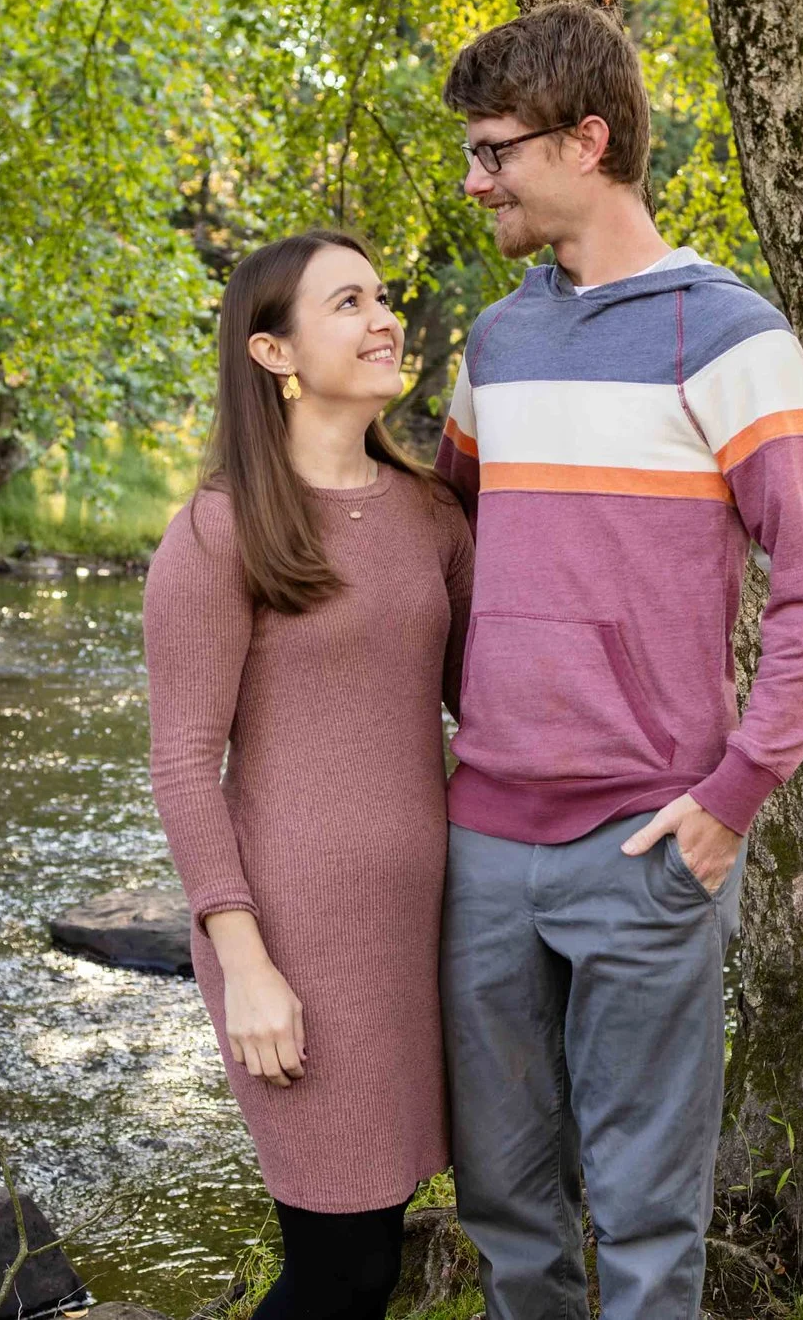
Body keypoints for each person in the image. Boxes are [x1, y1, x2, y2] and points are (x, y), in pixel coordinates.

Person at [433, 4, 803, 1320]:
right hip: (487, 841)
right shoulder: (495, 344)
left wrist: (730, 800)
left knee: (643, 1216)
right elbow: (443, 542)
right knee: (505, 1204)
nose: (474, 178)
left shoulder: (728, 337)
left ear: (589, 139)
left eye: (495, 151)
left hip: (647, 842)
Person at [142, 230, 474, 1320]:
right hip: (295, 944)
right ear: (274, 352)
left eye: (380, 297)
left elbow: (491, 698)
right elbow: (185, 762)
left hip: (430, 932)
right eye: (347, 303)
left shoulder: (431, 515)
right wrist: (245, 962)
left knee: (380, 1250)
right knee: (343, 1269)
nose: (382, 319)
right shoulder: (219, 530)